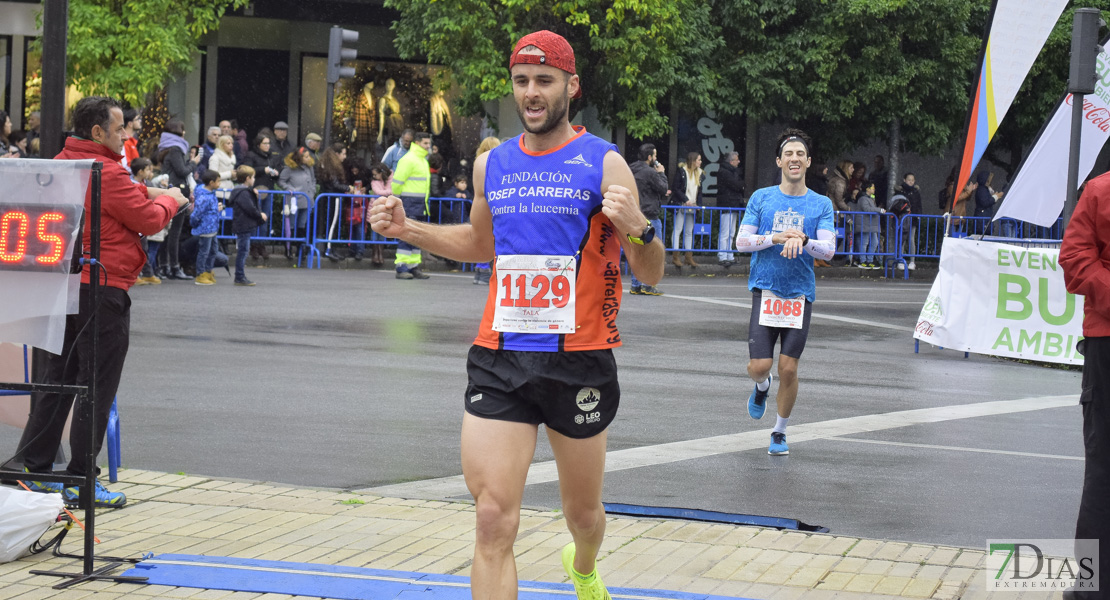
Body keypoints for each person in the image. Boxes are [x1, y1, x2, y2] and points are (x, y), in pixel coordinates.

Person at [370, 30, 663, 600]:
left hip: (579, 360)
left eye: (544, 81)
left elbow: (650, 273)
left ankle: (583, 566)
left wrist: (639, 228)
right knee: (492, 518)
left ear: (570, 87)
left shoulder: (605, 163)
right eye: (522, 81)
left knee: (582, 515)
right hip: (501, 356)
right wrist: (409, 229)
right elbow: (481, 244)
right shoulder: (494, 165)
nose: (531, 93)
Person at [17, 96, 187, 507]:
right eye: (119, 128)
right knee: (96, 385)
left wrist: (143, 190)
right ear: (97, 132)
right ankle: (80, 479)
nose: (126, 135)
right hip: (103, 287)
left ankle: (34, 470)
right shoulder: (106, 172)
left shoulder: (62, 163)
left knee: (58, 380)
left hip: (63, 286)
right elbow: (147, 219)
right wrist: (171, 200)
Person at [735, 128, 835, 456]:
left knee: (788, 368)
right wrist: (774, 238)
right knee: (760, 366)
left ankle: (779, 431)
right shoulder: (761, 198)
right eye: (788, 154)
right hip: (765, 290)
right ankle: (761, 387)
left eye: (800, 154)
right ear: (779, 161)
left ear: (808, 162)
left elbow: (829, 251)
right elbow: (741, 241)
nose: (794, 159)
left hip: (799, 294)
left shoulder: (820, 204)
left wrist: (805, 241)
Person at [1059, 172, 1110, 600]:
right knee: (1104, 466)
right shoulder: (1100, 191)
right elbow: (1075, 258)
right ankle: (1093, 584)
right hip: (1107, 342)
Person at [156, 118, 201, 281]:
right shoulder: (176, 149)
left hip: (169, 190)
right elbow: (182, 171)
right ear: (178, 131)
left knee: (168, 232)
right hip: (177, 192)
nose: (185, 133)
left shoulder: (166, 146)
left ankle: (165, 266)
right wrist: (193, 163)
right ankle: (173, 267)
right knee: (174, 232)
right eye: (183, 129)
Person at [391, 131, 432, 280]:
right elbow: (396, 184)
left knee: (416, 236)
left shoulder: (421, 160)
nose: (428, 146)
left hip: (418, 204)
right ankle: (401, 267)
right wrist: (399, 200)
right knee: (407, 235)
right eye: (426, 143)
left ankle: (412, 266)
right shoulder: (409, 160)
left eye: (429, 143)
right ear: (418, 143)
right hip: (409, 203)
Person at [628, 143, 667, 295]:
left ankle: (635, 284)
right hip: (650, 214)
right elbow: (663, 188)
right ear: (649, 157)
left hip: (635, 214)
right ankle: (648, 284)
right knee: (652, 251)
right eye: (655, 156)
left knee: (637, 250)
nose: (656, 159)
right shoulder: (650, 172)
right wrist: (661, 173)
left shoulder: (630, 169)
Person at [227, 165, 267, 286]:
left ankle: (240, 275)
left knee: (243, 250)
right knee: (243, 251)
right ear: (247, 178)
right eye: (253, 177)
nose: (254, 180)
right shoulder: (243, 193)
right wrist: (260, 215)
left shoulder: (242, 191)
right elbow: (250, 208)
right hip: (243, 224)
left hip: (242, 224)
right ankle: (239, 276)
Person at [471, 136, 500, 285]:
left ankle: (479, 270)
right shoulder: (496, 163)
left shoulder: (478, 163)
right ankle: (484, 271)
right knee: (493, 240)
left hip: (480, 205)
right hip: (495, 206)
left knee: (481, 237)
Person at [279, 147, 316, 259]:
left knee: (302, 225)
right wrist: (289, 188)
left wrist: (313, 190)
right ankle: (288, 248)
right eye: (306, 156)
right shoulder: (289, 168)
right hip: (294, 200)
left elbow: (314, 180)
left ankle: (301, 248)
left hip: (307, 199)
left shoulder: (309, 168)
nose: (308, 158)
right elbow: (281, 180)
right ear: (300, 158)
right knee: (291, 225)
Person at [670, 151, 704, 269]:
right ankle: (676, 256)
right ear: (693, 161)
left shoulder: (699, 173)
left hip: (692, 205)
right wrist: (685, 199)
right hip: (682, 204)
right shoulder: (682, 171)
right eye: (699, 160)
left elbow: (699, 192)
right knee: (678, 229)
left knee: (689, 231)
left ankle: (688, 257)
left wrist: (698, 205)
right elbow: (676, 188)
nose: (700, 162)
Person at [192, 170, 223, 285]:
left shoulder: (210, 194)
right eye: (218, 181)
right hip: (206, 228)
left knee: (213, 250)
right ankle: (200, 273)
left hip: (212, 228)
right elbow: (197, 213)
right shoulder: (204, 197)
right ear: (211, 183)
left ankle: (208, 271)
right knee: (204, 251)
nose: (219, 184)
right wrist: (195, 224)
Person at [716, 151, 745, 268]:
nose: (738, 162)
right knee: (725, 232)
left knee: (731, 232)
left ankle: (729, 255)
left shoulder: (730, 172)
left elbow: (737, 185)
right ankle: (723, 255)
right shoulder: (725, 172)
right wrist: (741, 185)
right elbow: (736, 185)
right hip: (727, 204)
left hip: (731, 204)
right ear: (731, 161)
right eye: (737, 160)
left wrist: (740, 185)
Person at [852, 181, 885, 269]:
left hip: (871, 224)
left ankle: (869, 260)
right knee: (864, 242)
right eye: (872, 188)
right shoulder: (863, 198)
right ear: (867, 189)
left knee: (875, 242)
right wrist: (879, 210)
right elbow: (867, 209)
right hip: (865, 224)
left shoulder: (870, 198)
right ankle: (862, 261)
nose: (874, 189)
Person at [895, 173, 923, 270]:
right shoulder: (900, 191)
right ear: (904, 180)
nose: (911, 182)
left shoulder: (916, 192)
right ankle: (900, 260)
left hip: (913, 218)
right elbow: (896, 204)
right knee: (902, 240)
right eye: (909, 180)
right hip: (902, 218)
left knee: (911, 239)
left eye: (912, 180)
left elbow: (919, 205)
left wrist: (918, 215)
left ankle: (912, 261)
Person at [368, 162, 393, 267]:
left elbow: (391, 189)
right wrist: (387, 192)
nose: (374, 177)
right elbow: (378, 191)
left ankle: (380, 254)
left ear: (381, 173)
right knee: (375, 232)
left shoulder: (390, 178)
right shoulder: (374, 182)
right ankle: (375, 253)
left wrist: (386, 191)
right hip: (375, 208)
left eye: (376, 174)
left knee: (382, 232)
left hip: (384, 209)